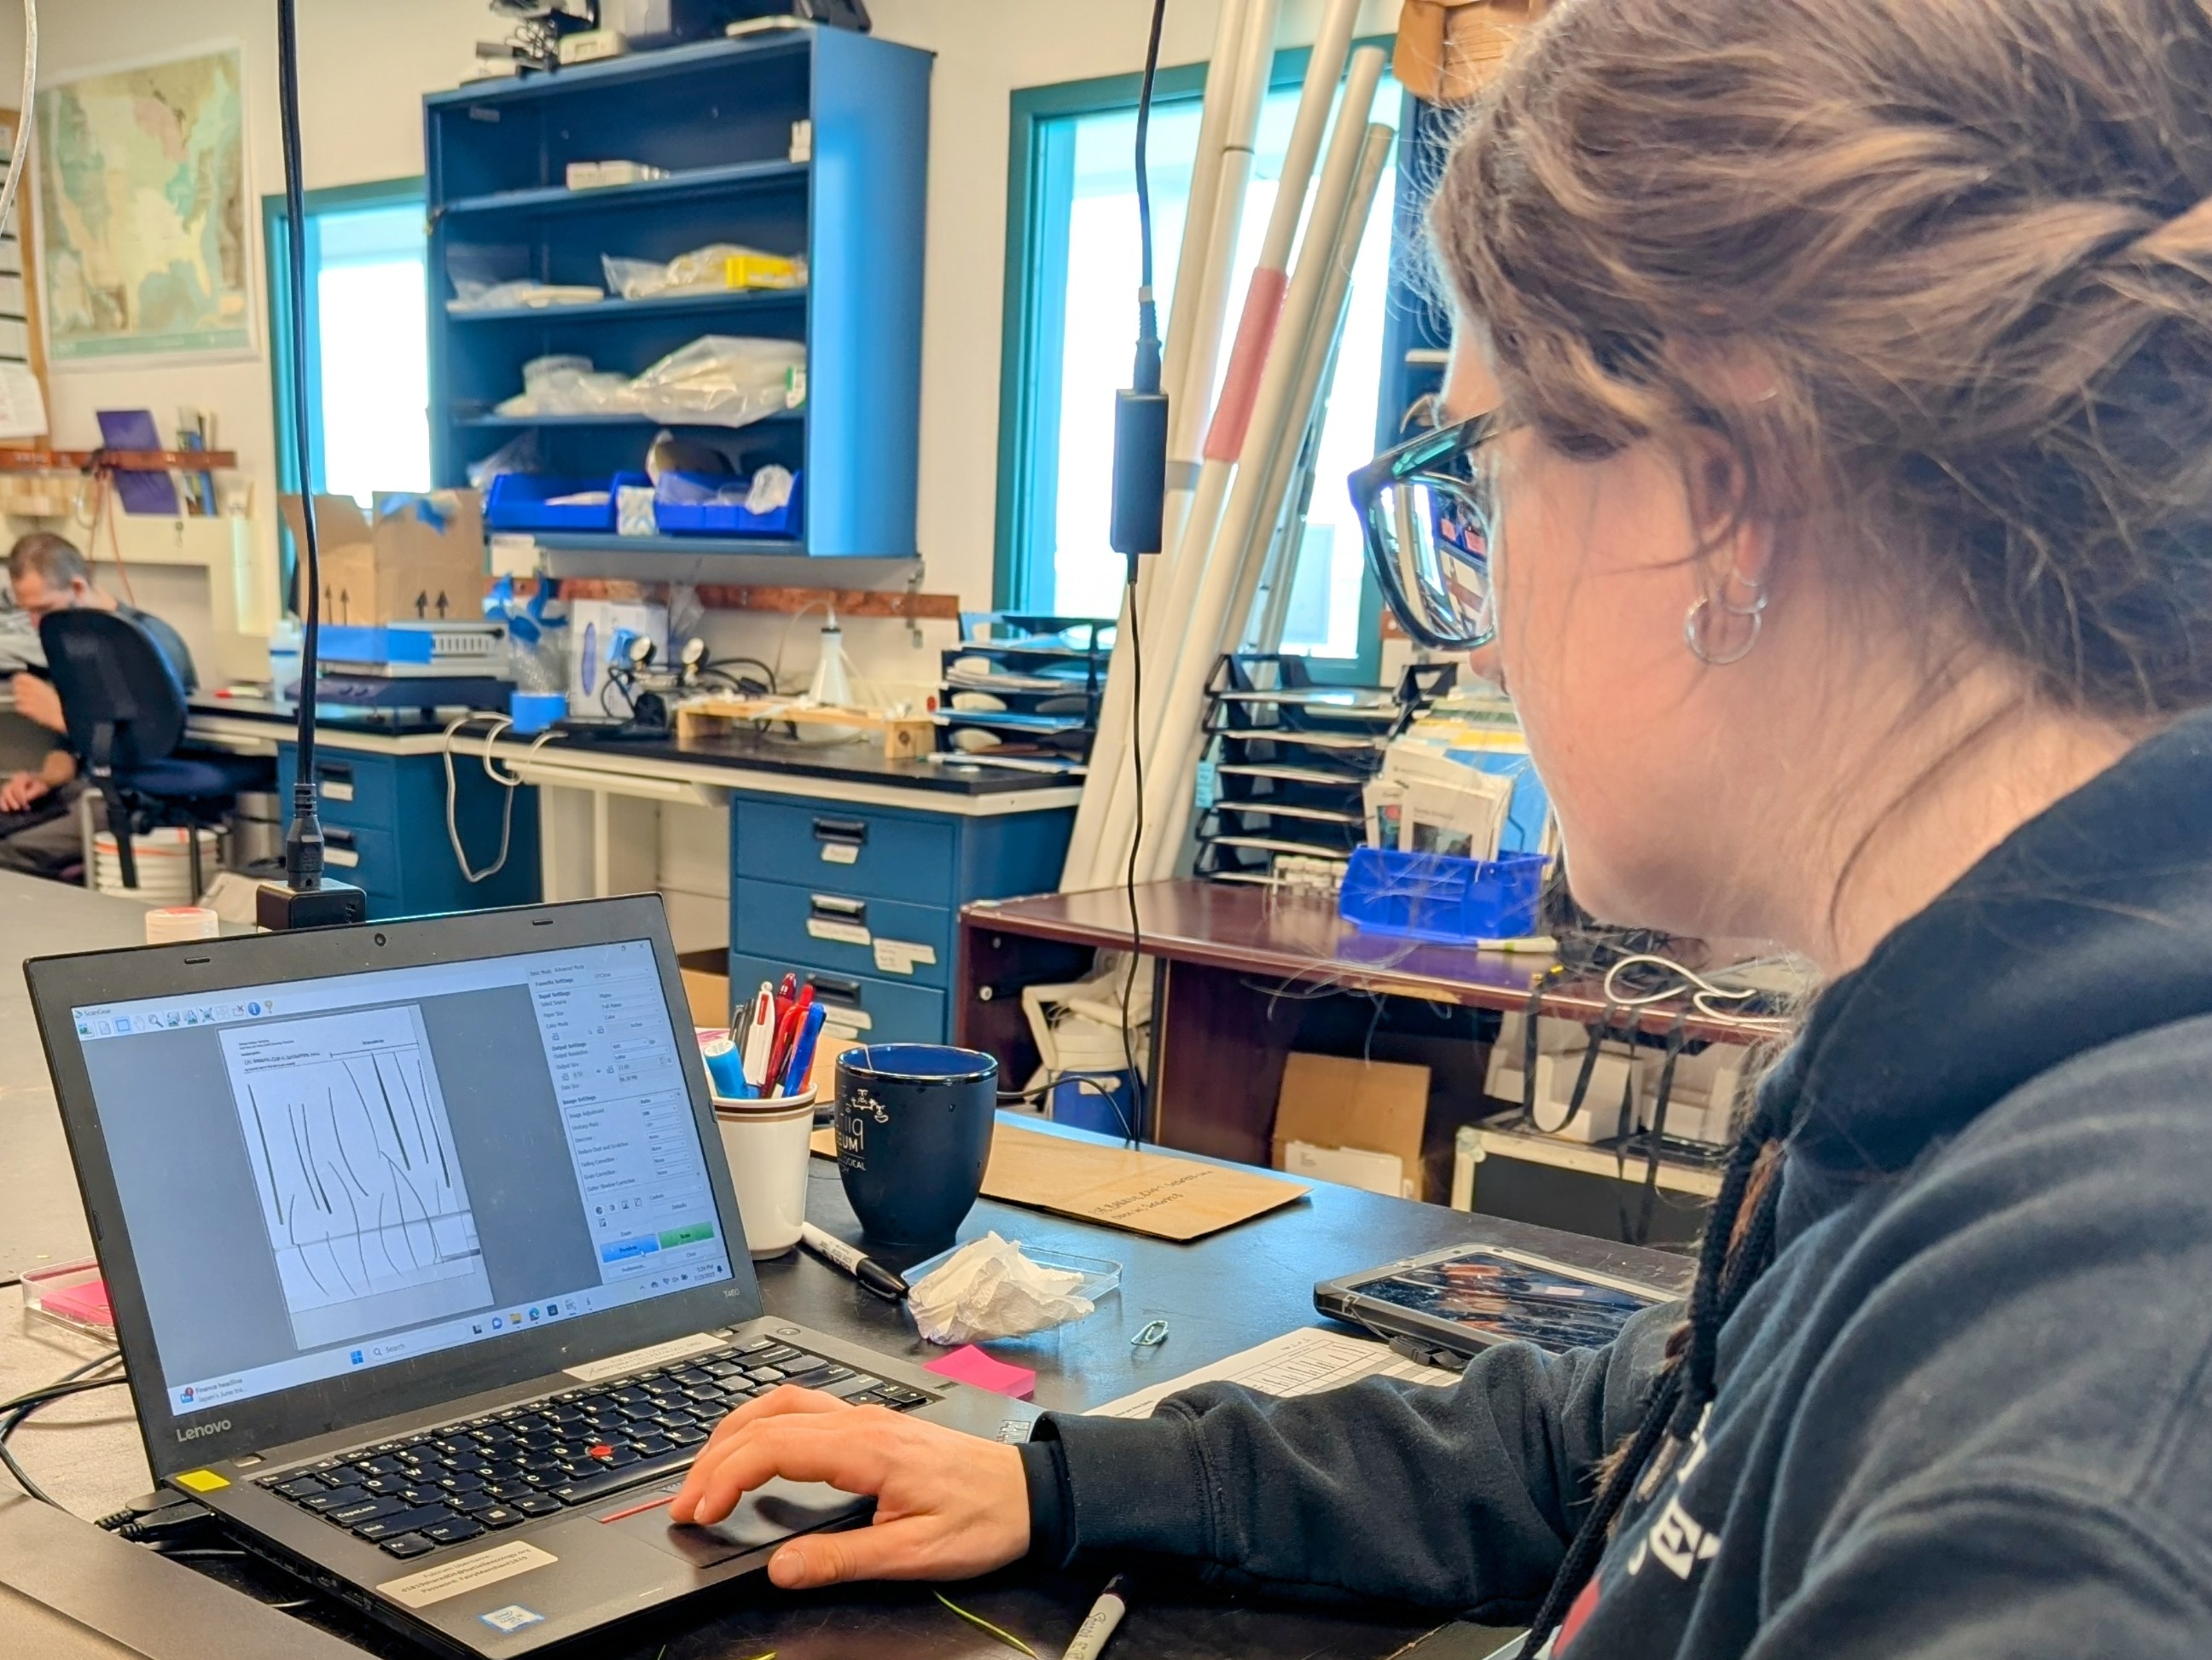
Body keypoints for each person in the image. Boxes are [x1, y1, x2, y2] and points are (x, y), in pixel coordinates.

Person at [667, 1, 2212, 1653]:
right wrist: (1056, 1485)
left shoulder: (2060, 1487)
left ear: (1728, 482)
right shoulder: (1949, 1093)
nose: (1470, 629)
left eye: (1477, 479)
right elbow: (1576, 1441)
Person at [0, 534, 199, 878]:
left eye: (43, 609)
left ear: (78, 587)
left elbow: (147, 745)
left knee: (13, 855)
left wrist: (62, 716)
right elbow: (71, 744)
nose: (35, 624)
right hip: (85, 785)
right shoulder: (69, 640)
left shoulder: (145, 641)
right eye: (27, 612)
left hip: (139, 791)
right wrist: (45, 779)